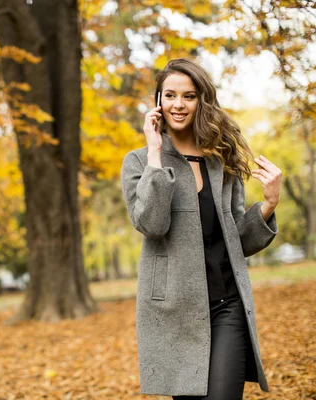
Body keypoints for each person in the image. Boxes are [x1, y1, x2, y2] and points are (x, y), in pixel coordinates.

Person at [120, 58, 282, 400]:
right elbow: (152, 224)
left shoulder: (219, 160)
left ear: (201, 101)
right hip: (175, 310)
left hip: (227, 304)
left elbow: (238, 240)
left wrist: (267, 204)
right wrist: (154, 154)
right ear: (158, 101)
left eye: (189, 96)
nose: (178, 104)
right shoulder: (138, 161)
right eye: (170, 95)